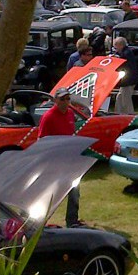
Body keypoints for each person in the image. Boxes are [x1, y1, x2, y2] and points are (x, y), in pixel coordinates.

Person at [36, 88, 83, 226]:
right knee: (49, 193)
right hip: (53, 161)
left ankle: (72, 221)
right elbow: (41, 140)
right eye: (62, 99)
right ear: (55, 100)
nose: (65, 102)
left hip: (69, 159)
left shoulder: (69, 113)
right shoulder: (48, 117)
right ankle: (38, 222)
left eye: (68, 99)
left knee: (74, 190)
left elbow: (70, 134)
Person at [110, 36, 138, 114]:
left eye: (116, 47)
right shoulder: (126, 51)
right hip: (126, 81)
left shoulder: (127, 53)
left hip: (128, 81)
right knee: (119, 98)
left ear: (120, 45)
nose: (116, 49)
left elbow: (123, 59)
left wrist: (115, 57)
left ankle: (130, 115)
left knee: (126, 100)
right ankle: (117, 113)